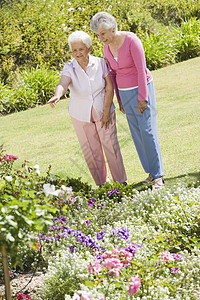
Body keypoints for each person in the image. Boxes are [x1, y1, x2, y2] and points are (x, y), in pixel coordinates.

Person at [90, 12, 164, 189]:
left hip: (141, 89)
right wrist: (120, 99)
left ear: (113, 28)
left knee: (147, 131)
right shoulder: (106, 48)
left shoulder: (132, 40)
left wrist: (142, 98)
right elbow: (113, 74)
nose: (100, 38)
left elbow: (141, 70)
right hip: (124, 93)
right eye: (98, 35)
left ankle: (159, 175)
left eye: (103, 34)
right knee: (137, 133)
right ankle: (150, 172)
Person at [48, 30, 127, 186]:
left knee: (111, 147)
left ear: (89, 48)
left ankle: (121, 182)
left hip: (104, 110)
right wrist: (58, 95)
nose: (78, 53)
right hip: (80, 115)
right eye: (74, 50)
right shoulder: (69, 67)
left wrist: (105, 112)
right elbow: (63, 83)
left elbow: (109, 87)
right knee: (92, 151)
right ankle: (102, 184)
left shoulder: (100, 63)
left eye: (81, 49)